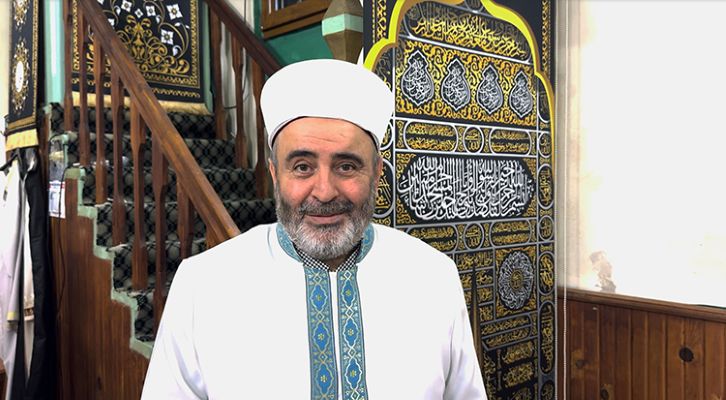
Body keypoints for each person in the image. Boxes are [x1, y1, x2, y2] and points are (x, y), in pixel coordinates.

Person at [141, 59, 487, 399]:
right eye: (302, 167)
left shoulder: (433, 277)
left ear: (376, 173)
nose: (324, 192)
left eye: (346, 166)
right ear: (275, 174)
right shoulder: (203, 285)